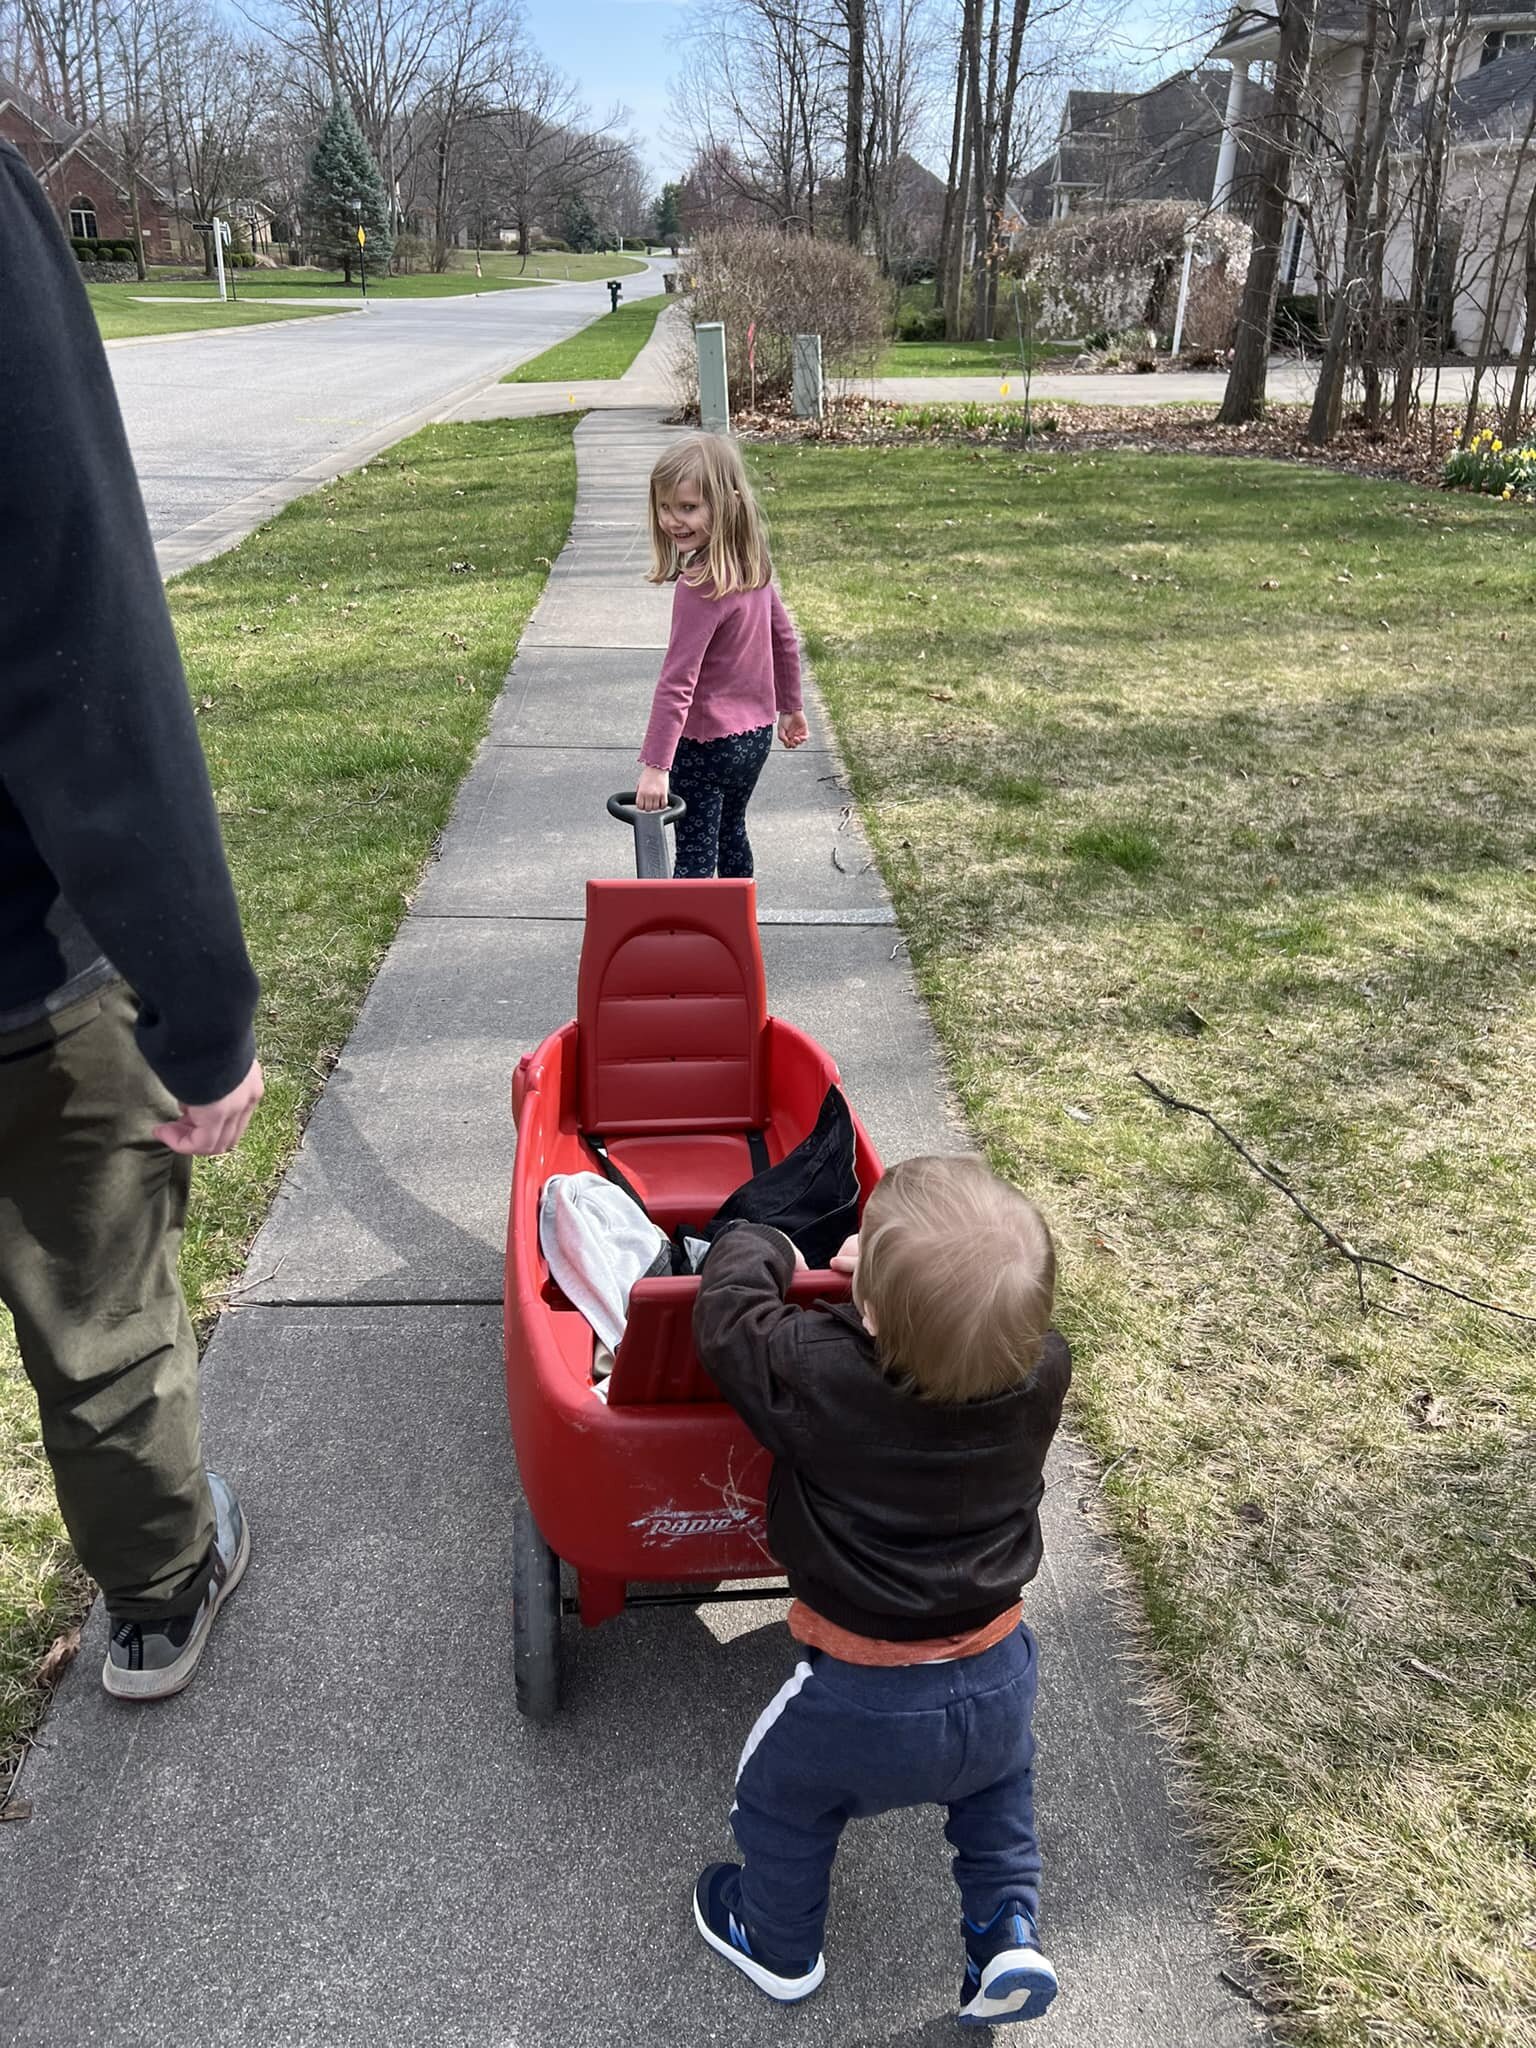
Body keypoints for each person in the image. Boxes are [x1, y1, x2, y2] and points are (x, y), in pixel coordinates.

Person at [0, 141, 264, 1702]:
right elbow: (70, 638)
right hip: (22, 972)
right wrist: (201, 1002)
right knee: (99, 1318)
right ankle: (161, 1592)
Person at [689, 1154, 1072, 2026]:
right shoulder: (1043, 1375)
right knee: (995, 1797)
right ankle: (1005, 1931)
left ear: (865, 1312)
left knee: (778, 1800)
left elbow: (728, 1323)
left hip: (860, 1695)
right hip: (1000, 1672)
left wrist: (759, 1238)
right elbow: (965, 1344)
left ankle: (775, 1945)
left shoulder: (822, 1375)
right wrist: (895, 1299)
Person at [633, 433, 809, 878]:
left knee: (694, 857)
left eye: (689, 508)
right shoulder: (753, 564)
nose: (674, 520)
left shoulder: (699, 587)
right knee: (732, 833)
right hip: (754, 738)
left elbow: (678, 681)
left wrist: (657, 767)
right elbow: (784, 639)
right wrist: (790, 708)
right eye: (666, 507)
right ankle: (738, 935)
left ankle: (691, 944)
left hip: (706, 746)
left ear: (728, 502)